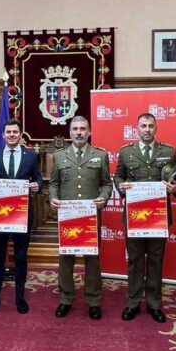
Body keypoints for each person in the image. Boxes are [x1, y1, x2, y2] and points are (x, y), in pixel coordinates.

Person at [113, 113, 176, 323]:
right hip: (134, 217)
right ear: (137, 128)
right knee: (134, 261)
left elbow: (175, 179)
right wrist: (121, 187)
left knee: (155, 261)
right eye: (143, 126)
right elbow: (118, 176)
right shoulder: (126, 152)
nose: (147, 129)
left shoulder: (168, 151)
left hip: (158, 217)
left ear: (156, 128)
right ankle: (132, 303)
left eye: (151, 126)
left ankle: (154, 304)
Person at [49, 116, 113, 320]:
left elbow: (106, 184)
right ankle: (66, 299)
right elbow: (53, 184)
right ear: (69, 133)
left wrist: (103, 197)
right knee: (65, 260)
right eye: (75, 129)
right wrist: (53, 198)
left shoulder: (100, 155)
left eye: (83, 129)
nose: (79, 132)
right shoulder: (59, 156)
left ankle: (93, 300)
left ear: (89, 132)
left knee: (92, 260)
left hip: (91, 216)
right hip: (68, 215)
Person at [0, 119, 43, 315]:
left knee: (20, 257)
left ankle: (20, 297)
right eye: (8, 132)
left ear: (20, 135)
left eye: (15, 132)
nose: (12, 135)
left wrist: (37, 186)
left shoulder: (31, 156)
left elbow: (38, 178)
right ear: (3, 135)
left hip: (21, 214)